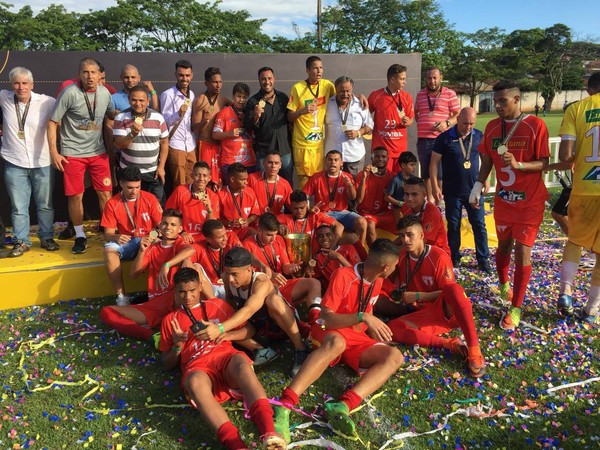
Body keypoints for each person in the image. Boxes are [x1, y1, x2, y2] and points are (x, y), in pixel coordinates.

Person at [272, 238, 403, 442]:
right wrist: (363, 317)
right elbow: (327, 318)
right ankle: (285, 404)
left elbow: (365, 315)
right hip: (327, 328)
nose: (395, 269)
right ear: (386, 266)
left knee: (395, 356)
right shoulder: (343, 275)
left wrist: (372, 332)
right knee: (337, 343)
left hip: (353, 336)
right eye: (395, 266)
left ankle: (342, 406)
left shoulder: (377, 281)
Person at [159, 268, 286, 450]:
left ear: (200, 286)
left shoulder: (216, 305)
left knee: (242, 364)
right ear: (175, 291)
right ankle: (236, 445)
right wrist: (177, 346)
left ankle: (270, 433)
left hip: (225, 358)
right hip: (198, 367)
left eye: (192, 290)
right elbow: (167, 363)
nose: (188, 297)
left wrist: (226, 334)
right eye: (182, 292)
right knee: (194, 382)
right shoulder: (170, 320)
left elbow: (249, 330)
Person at [470, 79, 550, 330]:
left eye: (502, 101)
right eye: (495, 101)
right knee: (503, 246)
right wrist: (477, 185)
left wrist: (520, 165)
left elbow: (544, 163)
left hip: (530, 202)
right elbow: (487, 162)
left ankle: (515, 308)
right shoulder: (492, 127)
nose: (497, 106)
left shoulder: (536, 125)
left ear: (517, 99)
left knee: (522, 251)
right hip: (504, 201)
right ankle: (504, 284)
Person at [386, 216, 486, 378]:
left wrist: (418, 295)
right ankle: (449, 344)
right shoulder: (402, 256)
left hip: (444, 309)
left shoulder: (439, 256)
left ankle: (474, 350)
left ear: (421, 236)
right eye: (402, 235)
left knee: (454, 289)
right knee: (392, 328)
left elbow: (447, 292)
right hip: (425, 313)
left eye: (410, 234)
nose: (405, 239)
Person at [199, 247, 306, 374]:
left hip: (280, 322)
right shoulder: (227, 278)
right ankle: (260, 349)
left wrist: (220, 328)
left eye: (234, 274)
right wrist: (224, 321)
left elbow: (249, 309)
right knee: (227, 314)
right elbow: (229, 300)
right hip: (258, 325)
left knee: (274, 301)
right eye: (228, 273)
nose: (230, 279)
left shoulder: (261, 281)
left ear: (249, 269)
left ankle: (301, 349)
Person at [48, 57, 116, 254]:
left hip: (98, 152)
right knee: (76, 196)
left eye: (93, 72)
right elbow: (52, 122)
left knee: (106, 193)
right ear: (80, 74)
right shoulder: (69, 93)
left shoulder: (105, 93)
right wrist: (55, 152)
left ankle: (109, 233)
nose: (90, 76)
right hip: (73, 153)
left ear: (99, 75)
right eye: (86, 72)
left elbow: (111, 115)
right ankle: (80, 235)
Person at [99, 208, 197, 343]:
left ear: (180, 229)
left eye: (173, 225)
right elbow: (133, 274)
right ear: (160, 226)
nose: (168, 227)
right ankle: (151, 336)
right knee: (107, 311)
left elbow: (190, 250)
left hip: (175, 298)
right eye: (165, 223)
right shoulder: (153, 247)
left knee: (189, 263)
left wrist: (166, 265)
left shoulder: (179, 243)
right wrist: (141, 250)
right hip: (155, 304)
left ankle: (184, 316)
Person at [242, 213, 320, 373]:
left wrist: (291, 268)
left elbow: (284, 266)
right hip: (263, 293)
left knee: (314, 283)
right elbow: (248, 279)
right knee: (274, 301)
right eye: (269, 235)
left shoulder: (278, 241)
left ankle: (316, 324)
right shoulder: (246, 246)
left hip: (281, 285)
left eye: (274, 235)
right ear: (259, 230)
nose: (272, 239)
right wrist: (269, 278)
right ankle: (300, 346)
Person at [556, 72, 600, 325]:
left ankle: (566, 291)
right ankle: (591, 310)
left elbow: (566, 155)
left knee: (574, 241)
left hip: (584, 188)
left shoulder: (578, 109)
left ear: (589, 89)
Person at [0, 66, 58, 257]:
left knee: (45, 205)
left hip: (42, 161)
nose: (21, 87)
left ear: (32, 84)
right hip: (14, 162)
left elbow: (66, 112)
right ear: (11, 85)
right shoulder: (4, 97)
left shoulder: (46, 102)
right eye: (17, 83)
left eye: (25, 83)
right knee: (19, 207)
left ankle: (47, 237)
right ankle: (21, 241)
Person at [430, 107, 491, 272]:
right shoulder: (444, 138)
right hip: (452, 191)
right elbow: (434, 162)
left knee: (479, 224)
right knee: (454, 225)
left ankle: (483, 258)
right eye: (465, 123)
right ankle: (454, 256)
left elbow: (486, 159)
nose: (468, 127)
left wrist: (486, 179)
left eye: (472, 123)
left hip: (474, 189)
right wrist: (435, 185)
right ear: (458, 120)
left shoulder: (478, 136)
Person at [100, 166, 163, 305]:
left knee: (164, 246)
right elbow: (108, 234)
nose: (134, 191)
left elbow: (162, 227)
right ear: (121, 183)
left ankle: (159, 292)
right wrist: (116, 237)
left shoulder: (150, 199)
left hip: (148, 238)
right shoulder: (112, 203)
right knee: (109, 251)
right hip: (127, 241)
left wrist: (152, 235)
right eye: (129, 187)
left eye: (137, 187)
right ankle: (122, 296)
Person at [113, 85, 169, 204]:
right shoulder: (121, 117)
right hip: (129, 172)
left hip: (152, 172)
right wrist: (132, 134)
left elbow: (164, 142)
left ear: (148, 101)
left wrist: (161, 166)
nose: (138, 103)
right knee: (130, 204)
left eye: (141, 100)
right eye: (134, 100)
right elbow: (119, 144)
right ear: (129, 100)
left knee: (156, 205)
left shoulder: (158, 118)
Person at [287, 56, 336, 187]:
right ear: (307, 70)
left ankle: (317, 208)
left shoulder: (327, 85)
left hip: (318, 145)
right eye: (315, 68)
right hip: (301, 144)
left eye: (321, 67)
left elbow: (343, 96)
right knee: (304, 182)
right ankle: (305, 207)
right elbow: (289, 116)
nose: (319, 71)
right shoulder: (297, 88)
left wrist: (359, 96)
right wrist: (302, 111)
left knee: (319, 181)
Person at [414, 67, 460, 203]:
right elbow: (416, 113)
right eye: (429, 78)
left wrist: (446, 123)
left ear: (440, 78)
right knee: (426, 173)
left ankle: (441, 200)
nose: (432, 81)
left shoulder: (449, 94)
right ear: (425, 79)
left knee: (440, 173)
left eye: (435, 78)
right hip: (423, 139)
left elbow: (458, 114)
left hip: (441, 139)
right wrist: (424, 123)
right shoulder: (420, 94)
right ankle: (430, 201)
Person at [303, 150, 367, 246]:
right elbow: (304, 196)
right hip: (324, 213)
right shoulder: (317, 177)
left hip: (343, 213)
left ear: (341, 163)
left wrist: (349, 185)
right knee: (326, 230)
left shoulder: (347, 176)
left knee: (362, 222)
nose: (333, 162)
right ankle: (330, 251)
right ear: (325, 161)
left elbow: (353, 197)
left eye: (336, 160)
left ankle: (360, 253)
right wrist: (309, 208)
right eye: (330, 160)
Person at [245, 66, 293, 181]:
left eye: (269, 78)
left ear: (274, 79)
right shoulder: (253, 101)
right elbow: (248, 127)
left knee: (287, 184)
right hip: (264, 153)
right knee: (263, 184)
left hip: (284, 151)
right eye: (263, 79)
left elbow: (290, 120)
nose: (267, 82)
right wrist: (256, 115)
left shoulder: (283, 98)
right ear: (259, 80)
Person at [368, 64, 414, 173]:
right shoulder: (376, 96)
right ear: (392, 79)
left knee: (398, 184)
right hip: (381, 153)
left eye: (405, 79)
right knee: (380, 182)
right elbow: (364, 115)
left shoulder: (406, 97)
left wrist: (407, 122)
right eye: (402, 79)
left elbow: (411, 120)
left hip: (400, 151)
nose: (404, 82)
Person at [324, 76, 373, 176]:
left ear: (352, 90)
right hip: (333, 159)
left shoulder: (360, 104)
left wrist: (359, 133)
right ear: (336, 90)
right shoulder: (327, 104)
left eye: (348, 91)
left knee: (354, 188)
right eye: (341, 91)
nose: (345, 94)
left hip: (354, 157)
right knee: (333, 189)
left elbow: (370, 124)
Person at [192, 67, 231, 187]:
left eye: (220, 82)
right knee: (205, 181)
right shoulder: (200, 100)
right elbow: (195, 128)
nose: (218, 85)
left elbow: (238, 108)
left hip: (219, 147)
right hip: (205, 146)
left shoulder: (223, 99)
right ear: (206, 83)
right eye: (214, 82)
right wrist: (204, 121)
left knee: (219, 183)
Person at [160, 59, 196, 186]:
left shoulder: (191, 94)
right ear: (175, 75)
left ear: (191, 76)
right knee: (179, 185)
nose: (184, 78)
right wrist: (178, 114)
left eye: (187, 75)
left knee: (193, 183)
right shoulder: (167, 95)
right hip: (176, 145)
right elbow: (163, 122)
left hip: (191, 145)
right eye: (181, 75)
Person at [165, 161, 220, 243]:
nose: (201, 179)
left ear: (209, 178)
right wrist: (182, 231)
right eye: (197, 175)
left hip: (203, 237)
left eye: (204, 176)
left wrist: (209, 209)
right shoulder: (180, 191)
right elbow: (168, 214)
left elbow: (212, 227)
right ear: (192, 176)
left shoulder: (213, 197)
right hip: (182, 236)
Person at [213, 82, 256, 182]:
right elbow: (215, 135)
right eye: (238, 96)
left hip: (249, 162)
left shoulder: (250, 113)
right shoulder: (224, 113)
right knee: (231, 192)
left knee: (247, 192)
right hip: (230, 162)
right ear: (233, 96)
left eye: (244, 97)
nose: (241, 100)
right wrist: (229, 133)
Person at [399, 176, 451, 257]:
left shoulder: (432, 212)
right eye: (406, 194)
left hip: (436, 253)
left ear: (424, 194)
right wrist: (389, 246)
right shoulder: (405, 207)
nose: (409, 198)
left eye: (414, 194)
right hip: (415, 249)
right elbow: (404, 234)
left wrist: (394, 251)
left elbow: (423, 241)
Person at [278, 189, 343, 251]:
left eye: (302, 208)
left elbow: (339, 226)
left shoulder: (315, 215)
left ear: (307, 204)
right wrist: (279, 225)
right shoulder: (286, 218)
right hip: (294, 257)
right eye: (295, 208)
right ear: (291, 207)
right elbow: (269, 221)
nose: (299, 211)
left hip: (315, 258)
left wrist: (333, 245)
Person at [355, 146, 396, 244]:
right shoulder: (363, 174)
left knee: (404, 225)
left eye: (383, 156)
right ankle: (375, 256)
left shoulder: (392, 177)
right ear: (372, 158)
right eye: (377, 156)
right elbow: (359, 200)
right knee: (370, 225)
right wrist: (364, 178)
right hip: (367, 213)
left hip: (384, 214)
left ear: (387, 158)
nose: (381, 159)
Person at [311, 224, 362, 290]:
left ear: (334, 236)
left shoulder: (348, 249)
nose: (325, 238)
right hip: (336, 291)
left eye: (328, 235)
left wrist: (339, 257)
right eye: (320, 236)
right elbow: (319, 278)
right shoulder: (317, 257)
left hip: (353, 287)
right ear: (317, 240)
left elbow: (358, 275)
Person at [218, 163, 260, 240]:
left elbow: (256, 214)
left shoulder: (250, 191)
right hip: (227, 231)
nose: (246, 182)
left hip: (244, 230)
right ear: (232, 179)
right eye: (243, 180)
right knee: (234, 242)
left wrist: (248, 221)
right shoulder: (220, 194)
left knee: (257, 237)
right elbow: (215, 219)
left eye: (246, 179)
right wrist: (229, 223)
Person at [248, 150, 292, 215]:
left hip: (276, 222)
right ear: (263, 163)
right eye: (270, 162)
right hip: (255, 222)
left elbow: (292, 206)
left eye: (276, 163)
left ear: (280, 165)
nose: (273, 166)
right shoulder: (252, 179)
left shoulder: (285, 184)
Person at [384, 150, 418, 223]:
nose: (414, 167)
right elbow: (387, 197)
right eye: (411, 165)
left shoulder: (414, 179)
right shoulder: (396, 180)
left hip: (412, 207)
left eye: (415, 165)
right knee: (402, 225)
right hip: (398, 208)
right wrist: (400, 203)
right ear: (403, 165)